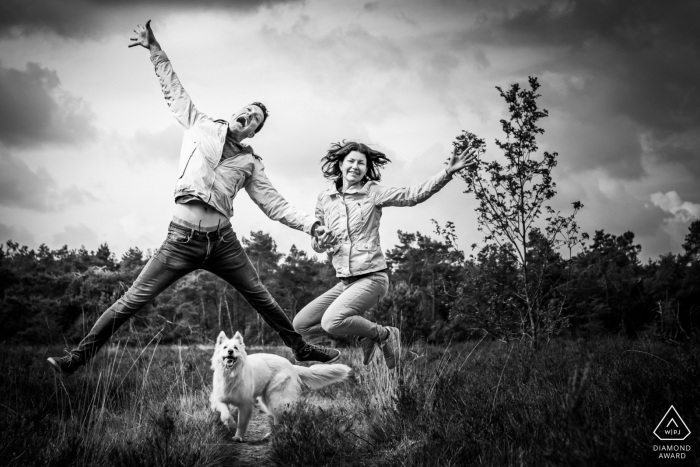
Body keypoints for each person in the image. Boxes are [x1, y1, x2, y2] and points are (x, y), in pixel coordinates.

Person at [47, 21, 340, 375]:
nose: (248, 117)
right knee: (131, 302)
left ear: (253, 132)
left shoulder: (250, 163)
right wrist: (154, 49)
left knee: (260, 296)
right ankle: (76, 358)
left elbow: (275, 204)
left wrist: (311, 223)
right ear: (235, 113)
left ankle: (301, 348)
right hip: (180, 241)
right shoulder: (199, 125)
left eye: (256, 120)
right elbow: (173, 88)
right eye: (247, 110)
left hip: (223, 243)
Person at [292, 141, 478, 369]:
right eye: (351, 161)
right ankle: (365, 334)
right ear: (340, 164)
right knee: (301, 324)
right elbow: (317, 243)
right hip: (345, 282)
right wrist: (321, 241)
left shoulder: (373, 193)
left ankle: (385, 334)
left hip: (372, 278)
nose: (355, 166)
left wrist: (446, 173)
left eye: (361, 163)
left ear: (366, 168)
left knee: (331, 322)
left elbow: (413, 195)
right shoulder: (325, 198)